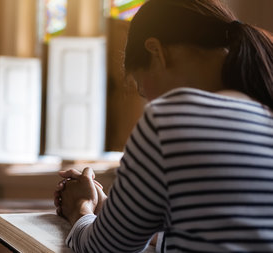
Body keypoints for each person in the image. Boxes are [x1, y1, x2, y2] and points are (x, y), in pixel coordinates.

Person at [53, 0, 273, 252]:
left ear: (156, 52)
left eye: (143, 90)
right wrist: (112, 209)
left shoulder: (170, 118)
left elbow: (104, 249)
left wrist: (80, 207)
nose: (151, 102)